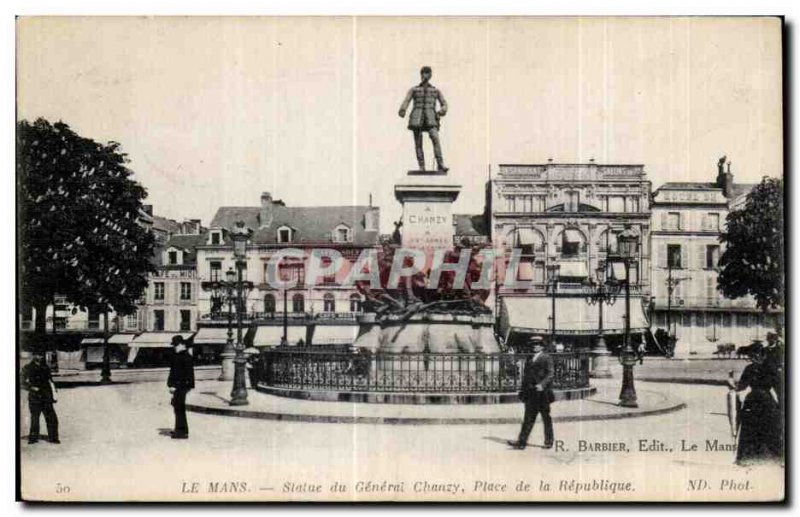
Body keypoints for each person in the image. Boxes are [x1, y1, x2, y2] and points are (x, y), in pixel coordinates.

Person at [728, 343, 782, 465]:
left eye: (753, 355)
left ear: (761, 355)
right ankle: (768, 457)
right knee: (767, 428)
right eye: (751, 356)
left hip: (756, 402)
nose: (752, 358)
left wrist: (731, 381)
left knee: (755, 428)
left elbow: (741, 387)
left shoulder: (757, 368)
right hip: (763, 402)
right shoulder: (765, 368)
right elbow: (778, 389)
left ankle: (753, 457)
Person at [398, 66, 449, 172]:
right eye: (423, 73)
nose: (424, 75)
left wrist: (441, 111)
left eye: (426, 73)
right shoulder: (414, 90)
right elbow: (406, 100)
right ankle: (422, 167)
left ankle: (440, 164)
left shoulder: (436, 91)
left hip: (431, 118)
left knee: (435, 139)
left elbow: (444, 104)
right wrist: (403, 109)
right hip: (417, 118)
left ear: (430, 75)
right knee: (418, 143)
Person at [507, 337, 555, 450]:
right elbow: (526, 376)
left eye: (537, 344)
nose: (535, 346)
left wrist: (542, 385)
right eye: (533, 344)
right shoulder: (530, 358)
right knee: (528, 418)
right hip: (531, 393)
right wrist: (523, 391)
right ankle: (521, 442)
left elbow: (551, 374)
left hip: (542, 394)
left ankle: (549, 441)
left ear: (542, 346)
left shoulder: (546, 357)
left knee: (546, 418)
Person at [20, 350, 60, 444]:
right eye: (38, 354)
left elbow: (50, 380)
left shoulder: (45, 367)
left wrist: (54, 391)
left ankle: (53, 438)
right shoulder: (28, 367)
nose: (40, 356)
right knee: (35, 418)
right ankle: (33, 438)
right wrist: (31, 387)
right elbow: (20, 381)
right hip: (35, 396)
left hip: (46, 395)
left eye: (41, 354)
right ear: (34, 355)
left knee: (52, 418)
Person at [167, 336, 195, 439]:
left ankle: (181, 432)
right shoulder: (183, 355)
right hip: (181, 386)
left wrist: (174, 386)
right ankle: (180, 429)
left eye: (175, 345)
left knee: (179, 408)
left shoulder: (183, 357)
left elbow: (181, 374)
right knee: (178, 407)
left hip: (180, 386)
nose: (174, 347)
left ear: (181, 345)